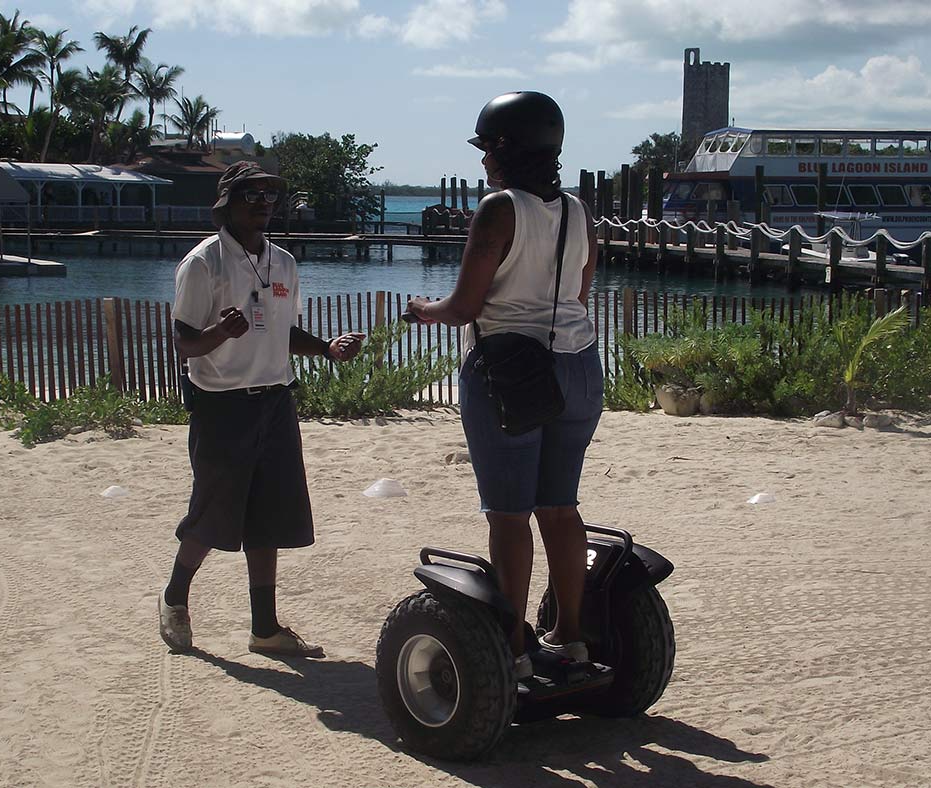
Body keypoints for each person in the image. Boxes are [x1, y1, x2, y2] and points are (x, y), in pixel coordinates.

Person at [407, 91, 601, 680]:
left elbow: (466, 306)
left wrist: (423, 309)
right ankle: (570, 637)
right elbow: (578, 294)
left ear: (502, 150)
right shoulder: (577, 211)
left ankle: (514, 647)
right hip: (578, 365)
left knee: (509, 515)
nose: (483, 161)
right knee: (561, 508)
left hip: (509, 375)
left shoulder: (499, 209)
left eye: (485, 148)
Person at [160, 161, 365, 657]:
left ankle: (265, 629)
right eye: (251, 195)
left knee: (269, 517)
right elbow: (184, 343)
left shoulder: (284, 264)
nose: (263, 203)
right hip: (222, 405)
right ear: (226, 202)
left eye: (269, 196)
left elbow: (283, 332)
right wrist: (217, 335)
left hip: (275, 401)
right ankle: (174, 598)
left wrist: (328, 349)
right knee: (212, 513)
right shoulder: (204, 262)